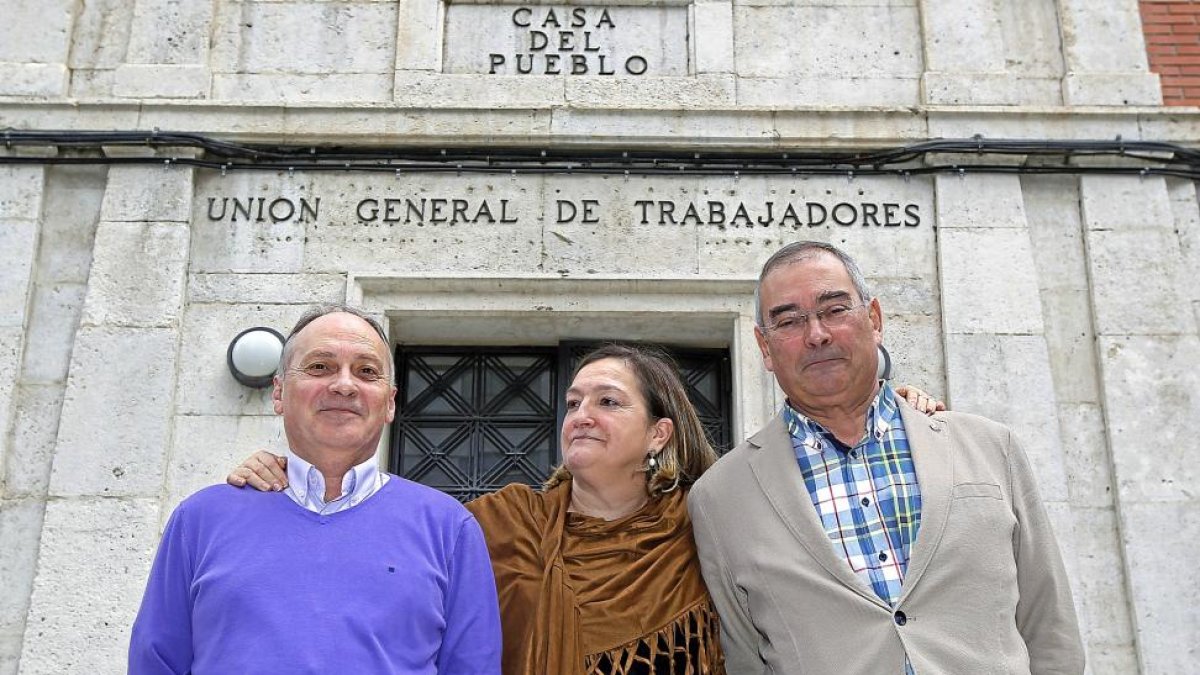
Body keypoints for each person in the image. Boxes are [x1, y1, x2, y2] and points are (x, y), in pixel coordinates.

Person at [229, 339, 944, 674]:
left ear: (659, 432)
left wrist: (888, 416)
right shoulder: (502, 522)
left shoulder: (720, 514)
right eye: (572, 403)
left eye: (607, 402)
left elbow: (829, 511)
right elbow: (384, 550)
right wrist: (287, 485)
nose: (580, 414)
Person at [687, 241, 1084, 674]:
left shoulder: (990, 447)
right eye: (789, 321)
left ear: (874, 320)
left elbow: (1050, 626)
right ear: (765, 348)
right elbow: (745, 655)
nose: (816, 334)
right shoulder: (721, 496)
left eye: (834, 310)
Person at [129, 305, 502, 674]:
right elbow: (155, 662)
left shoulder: (449, 528)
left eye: (366, 371)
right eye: (319, 366)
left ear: (389, 402)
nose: (343, 385)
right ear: (279, 393)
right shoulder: (199, 519)